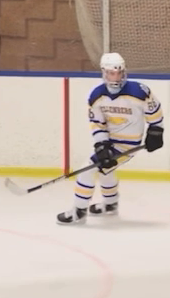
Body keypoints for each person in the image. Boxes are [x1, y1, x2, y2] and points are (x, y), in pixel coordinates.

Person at [58, 52, 164, 224]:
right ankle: (110, 204)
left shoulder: (139, 91)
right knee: (105, 168)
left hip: (127, 146)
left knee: (86, 170)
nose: (115, 77)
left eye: (119, 72)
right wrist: (101, 146)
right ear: (104, 72)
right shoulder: (96, 96)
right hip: (110, 143)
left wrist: (156, 131)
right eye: (111, 73)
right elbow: (98, 123)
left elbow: (154, 111)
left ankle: (78, 211)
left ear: (124, 72)